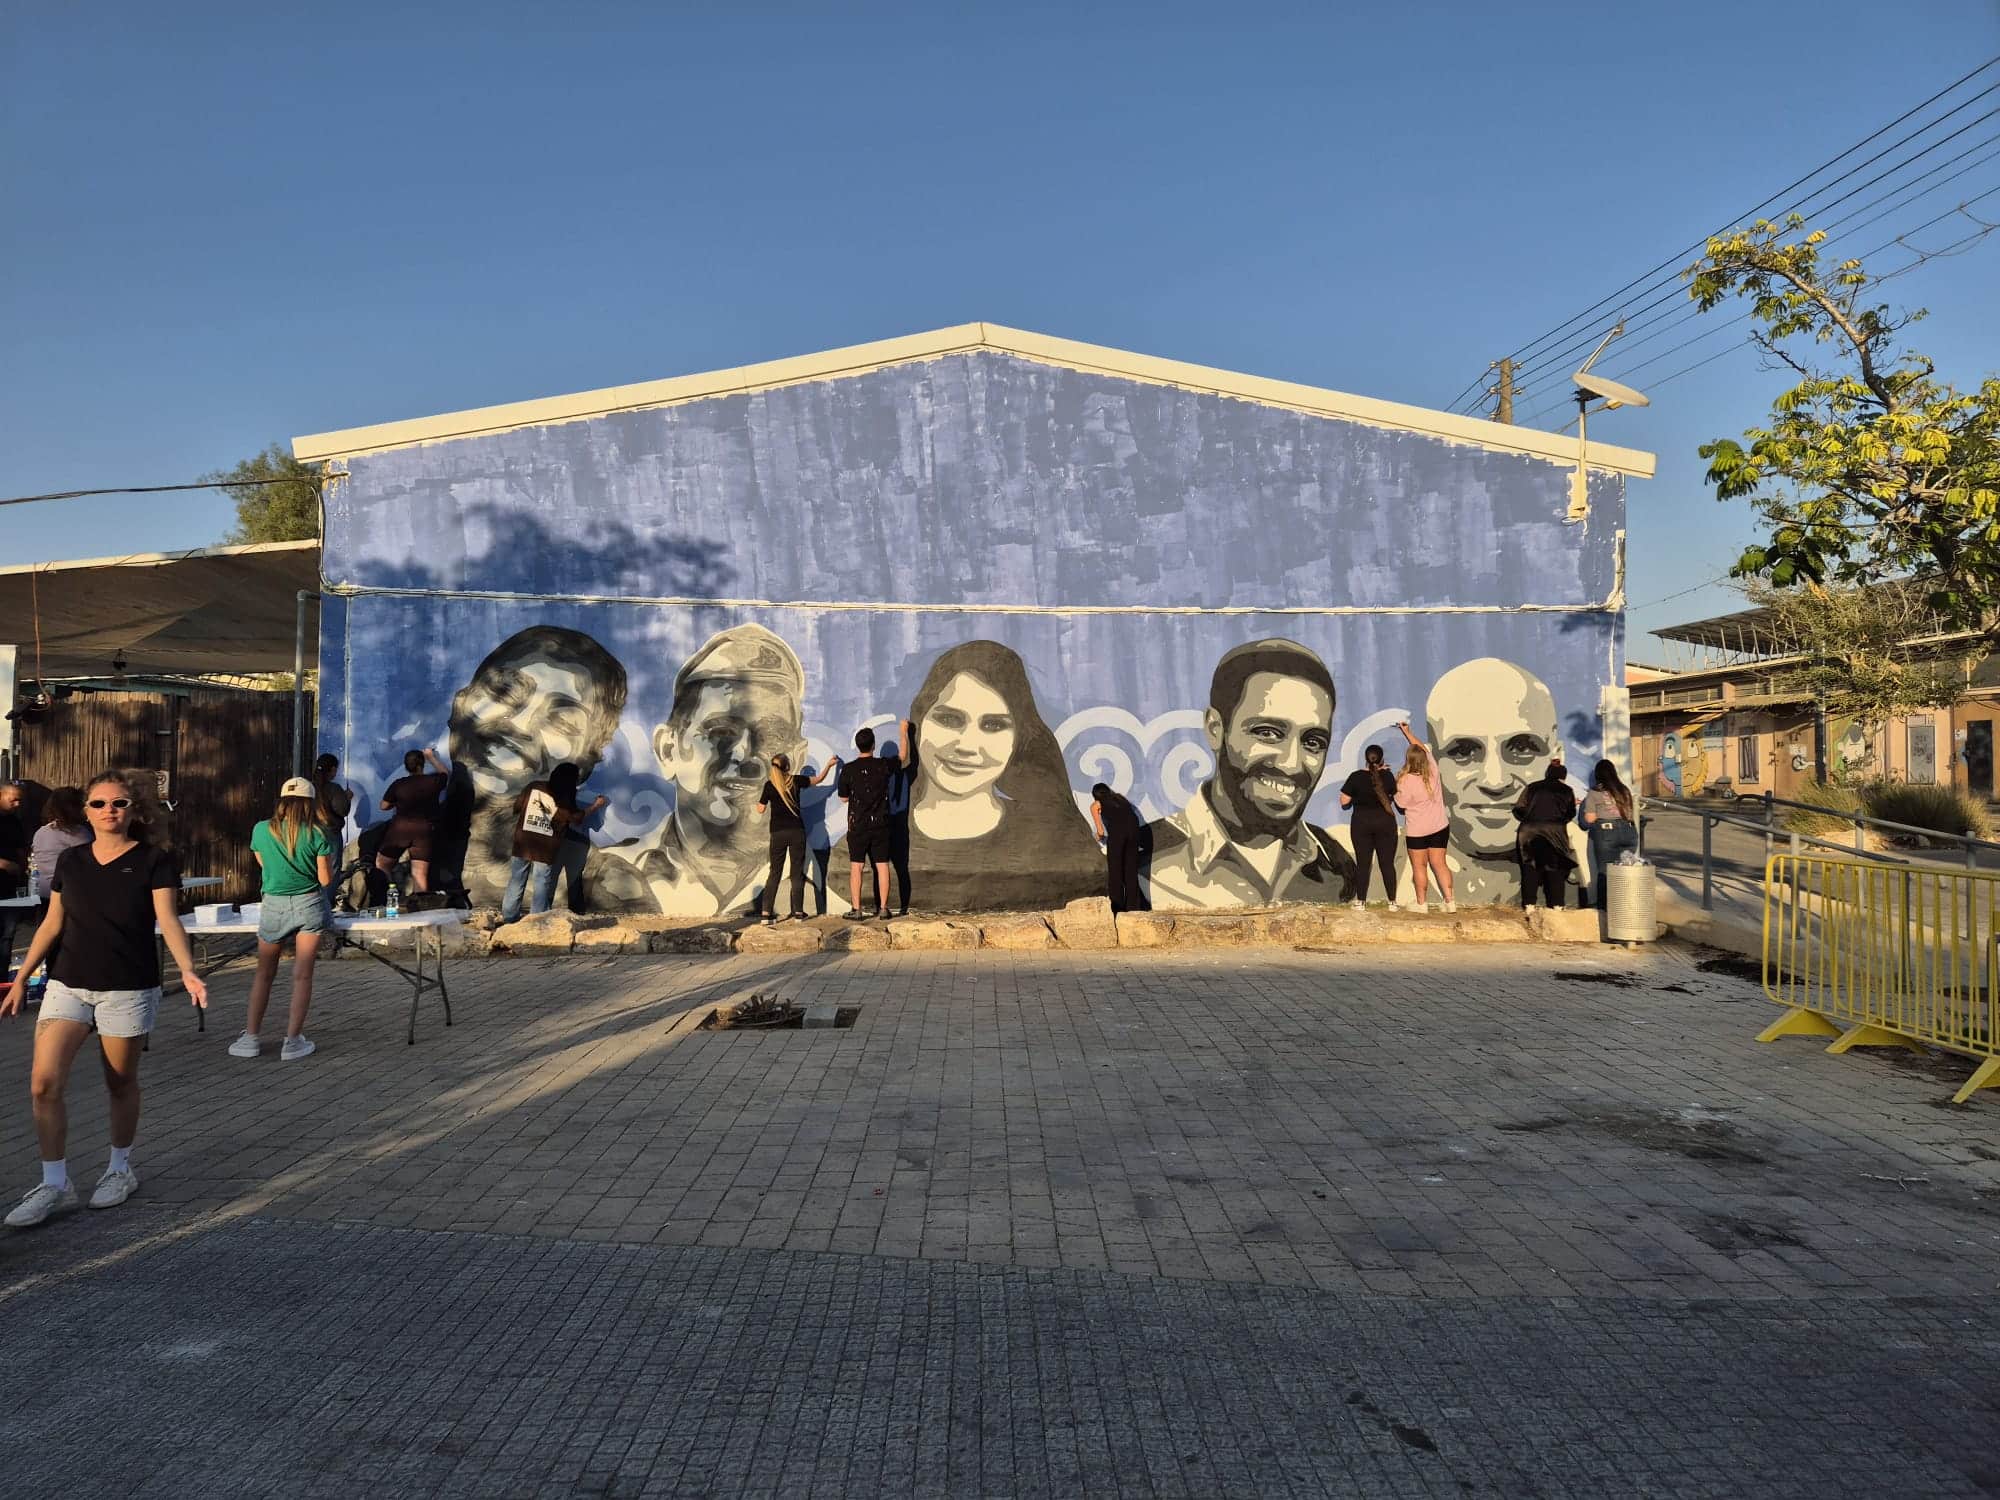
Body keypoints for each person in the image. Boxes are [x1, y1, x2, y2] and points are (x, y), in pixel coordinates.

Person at [0, 770, 208, 1227]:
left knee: (119, 1081)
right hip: (67, 983)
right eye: (99, 803)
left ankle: (119, 1169)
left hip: (127, 987)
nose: (108, 810)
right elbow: (52, 923)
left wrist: (188, 970)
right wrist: (20, 978)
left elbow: (168, 920)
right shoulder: (71, 860)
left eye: (118, 803)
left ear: (133, 810)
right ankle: (55, 1183)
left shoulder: (154, 860)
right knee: (43, 1083)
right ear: (86, 811)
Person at [888, 640, 1104, 912]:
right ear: (920, 722)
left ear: (1019, 738)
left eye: (992, 725)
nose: (967, 746)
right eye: (949, 719)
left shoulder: (1056, 838)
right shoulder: (880, 833)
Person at [610, 624, 808, 917]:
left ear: (798, 757)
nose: (744, 754)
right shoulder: (606, 878)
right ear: (668, 750)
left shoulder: (826, 898)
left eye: (772, 735)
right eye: (720, 731)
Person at [1144, 639, 1356, 909]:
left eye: (1313, 742)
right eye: (1268, 733)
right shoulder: (1144, 861)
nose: (1292, 764)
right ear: (1215, 729)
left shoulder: (1335, 864)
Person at [443, 625, 630, 907]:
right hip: (540, 849)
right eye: (503, 692)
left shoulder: (609, 883)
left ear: (589, 759)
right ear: (461, 702)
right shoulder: (389, 854)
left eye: (563, 722)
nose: (519, 726)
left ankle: (528, 918)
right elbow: (570, 817)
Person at [1422, 657, 1585, 907]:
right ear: (1432, 761)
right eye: (1463, 751)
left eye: (1522, 748)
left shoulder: (1584, 861)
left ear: (1556, 755)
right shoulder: (1379, 865)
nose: (1495, 782)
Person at [231, 777, 335, 1061]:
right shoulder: (318, 833)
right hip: (309, 903)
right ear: (311, 803)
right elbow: (325, 880)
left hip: (274, 904)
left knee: (264, 973)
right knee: (302, 975)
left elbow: (263, 863)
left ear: (282, 801)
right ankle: (292, 1040)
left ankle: (251, 1037)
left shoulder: (261, 829)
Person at [501, 763, 606, 922]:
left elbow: (517, 807)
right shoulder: (563, 799)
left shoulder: (534, 786)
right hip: (545, 849)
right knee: (541, 885)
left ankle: (509, 919)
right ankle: (536, 921)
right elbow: (576, 818)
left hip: (523, 843)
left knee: (516, 880)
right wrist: (595, 806)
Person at [22, 789, 91, 996]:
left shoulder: (41, 832)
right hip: (73, 896)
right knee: (74, 943)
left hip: (45, 893)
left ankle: (53, 985)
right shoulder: (77, 833)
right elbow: (91, 863)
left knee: (51, 943)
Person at [755, 752, 836, 922]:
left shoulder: (769, 785)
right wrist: (829, 766)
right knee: (797, 873)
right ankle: (798, 912)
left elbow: (760, 809)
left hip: (777, 833)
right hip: (796, 831)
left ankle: (766, 914)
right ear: (787, 767)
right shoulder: (796, 781)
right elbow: (819, 780)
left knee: (774, 872)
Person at [838, 723, 903, 920]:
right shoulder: (883, 765)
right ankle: (883, 908)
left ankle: (857, 910)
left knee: (856, 867)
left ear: (858, 746)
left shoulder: (849, 769)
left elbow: (843, 798)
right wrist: (903, 732)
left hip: (858, 825)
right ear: (873, 745)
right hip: (881, 824)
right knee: (882, 866)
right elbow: (903, 756)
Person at [1394, 724, 1455, 912]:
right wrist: (1408, 733)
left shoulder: (1404, 780)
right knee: (1440, 864)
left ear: (1408, 760)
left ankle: (1422, 904)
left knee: (1419, 866)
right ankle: (1450, 902)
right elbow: (1424, 749)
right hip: (1439, 827)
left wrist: (1395, 791)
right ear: (1424, 758)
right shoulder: (1433, 770)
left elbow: (1401, 804)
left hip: (1417, 831)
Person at [376, 748, 450, 896]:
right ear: (422, 765)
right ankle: (420, 906)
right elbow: (445, 774)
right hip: (424, 832)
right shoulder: (432, 781)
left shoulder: (399, 784)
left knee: (382, 865)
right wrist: (431, 757)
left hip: (399, 831)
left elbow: (383, 806)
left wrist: (396, 803)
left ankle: (387, 898)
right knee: (419, 874)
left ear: (406, 766)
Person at [1338, 745, 1400, 909]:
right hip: (1386, 824)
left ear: (1366, 758)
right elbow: (1398, 798)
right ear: (1382, 759)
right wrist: (1384, 774)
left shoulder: (1355, 777)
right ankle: (1392, 903)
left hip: (1361, 824)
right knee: (1387, 864)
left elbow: (1344, 801)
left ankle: (1361, 902)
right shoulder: (1387, 776)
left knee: (1363, 864)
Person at [1514, 760, 1579, 909]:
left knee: (1530, 867)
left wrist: (1530, 819)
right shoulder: (1567, 790)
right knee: (1555, 868)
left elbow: (1518, 808)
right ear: (1563, 776)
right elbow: (1571, 813)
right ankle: (1557, 905)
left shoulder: (1532, 787)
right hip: (1555, 832)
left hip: (1529, 831)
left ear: (1547, 773)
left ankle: (1529, 905)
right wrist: (1558, 820)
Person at [1581, 759, 1639, 909]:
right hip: (1629, 832)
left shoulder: (1594, 792)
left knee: (1605, 872)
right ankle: (1626, 908)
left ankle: (1605, 911)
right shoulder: (1624, 790)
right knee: (1624, 871)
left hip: (1606, 833)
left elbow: (1589, 819)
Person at [551, 765, 609, 914]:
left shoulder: (554, 793)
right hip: (576, 841)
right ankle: (576, 913)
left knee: (550, 878)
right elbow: (593, 825)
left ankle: (543, 909)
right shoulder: (589, 797)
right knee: (574, 880)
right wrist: (596, 806)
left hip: (558, 839)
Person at [1089, 783, 1148, 914]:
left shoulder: (1096, 805)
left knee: (1115, 873)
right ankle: (1134, 909)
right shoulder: (1120, 798)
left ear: (1095, 795)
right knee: (1130, 872)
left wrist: (1097, 837)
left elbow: (1100, 832)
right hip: (1134, 832)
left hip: (1118, 834)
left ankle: (1117, 909)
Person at [0, 781, 28, 973]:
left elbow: (20, 848)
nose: (17, 804)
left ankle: (2, 976)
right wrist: (3, 864)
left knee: (7, 934)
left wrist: (23, 868)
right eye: (13, 800)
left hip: (11, 886)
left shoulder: (14, 822)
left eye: (20, 801)